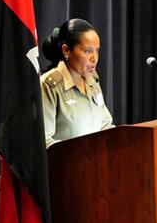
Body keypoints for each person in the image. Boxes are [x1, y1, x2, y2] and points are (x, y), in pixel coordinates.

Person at [40, 18, 113, 149]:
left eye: (97, 50)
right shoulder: (49, 85)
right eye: (87, 51)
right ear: (66, 50)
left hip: (97, 165)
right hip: (66, 167)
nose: (94, 58)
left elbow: (105, 126)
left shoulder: (92, 81)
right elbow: (45, 142)